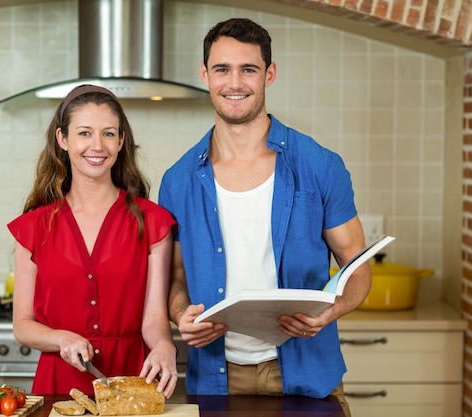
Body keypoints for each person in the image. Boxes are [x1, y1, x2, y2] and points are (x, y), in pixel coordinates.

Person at [158, 18, 370, 416]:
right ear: (205, 74)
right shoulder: (178, 180)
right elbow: (176, 280)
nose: (234, 82)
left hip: (307, 373)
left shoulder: (320, 166)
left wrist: (332, 311)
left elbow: (357, 268)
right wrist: (179, 316)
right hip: (217, 379)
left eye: (248, 69)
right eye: (222, 69)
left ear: (269, 74)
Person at [8, 84, 178, 397]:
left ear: (121, 140)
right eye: (84, 133)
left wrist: (165, 346)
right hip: (59, 384)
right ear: (63, 139)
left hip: (133, 380)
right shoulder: (34, 227)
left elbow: (153, 318)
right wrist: (61, 339)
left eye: (109, 133)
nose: (97, 145)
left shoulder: (153, 222)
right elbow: (22, 324)